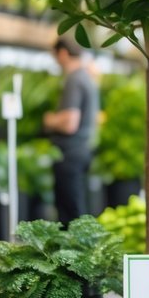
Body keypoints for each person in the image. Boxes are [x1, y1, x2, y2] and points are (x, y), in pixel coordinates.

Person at [43, 37, 100, 223]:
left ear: (63, 53)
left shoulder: (74, 79)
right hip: (82, 149)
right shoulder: (87, 78)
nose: (56, 62)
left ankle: (74, 250)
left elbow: (70, 123)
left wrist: (50, 120)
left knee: (70, 211)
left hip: (69, 153)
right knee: (77, 206)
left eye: (55, 57)